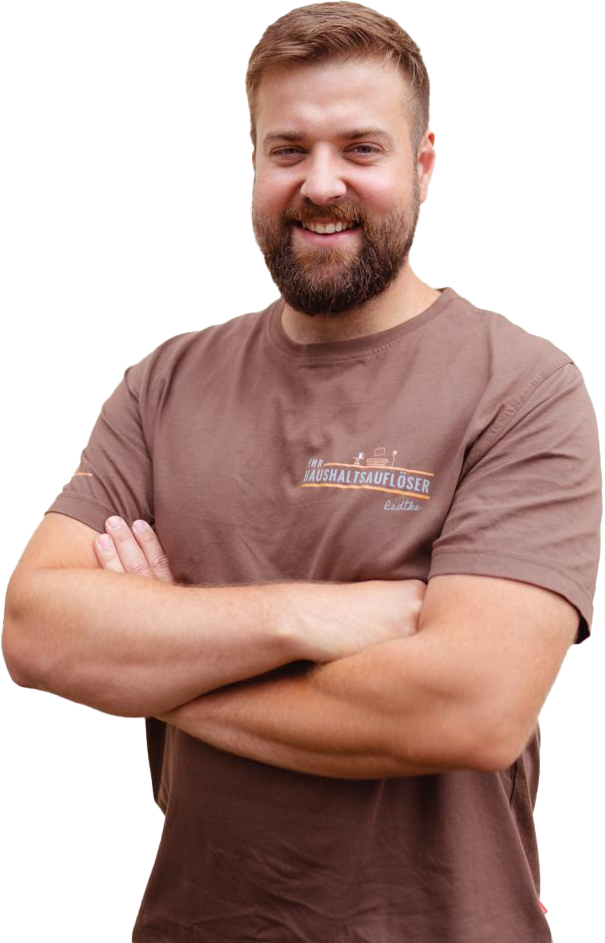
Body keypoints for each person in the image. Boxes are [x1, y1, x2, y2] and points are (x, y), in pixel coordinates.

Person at [1, 2, 602, 940]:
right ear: (252, 162)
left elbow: (470, 708)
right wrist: (310, 616)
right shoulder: (164, 384)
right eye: (288, 150)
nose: (321, 184)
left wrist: (156, 656)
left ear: (423, 165)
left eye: (360, 148)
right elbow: (37, 630)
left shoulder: (520, 387)